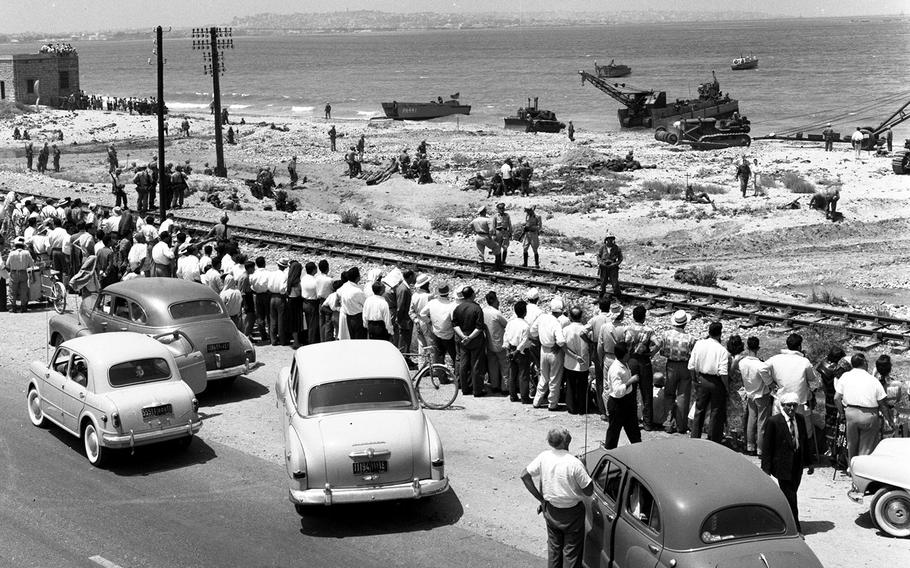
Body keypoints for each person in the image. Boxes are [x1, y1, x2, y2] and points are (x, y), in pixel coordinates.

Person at [520, 427, 593, 568]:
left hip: (551, 510)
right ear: (566, 441)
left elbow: (525, 475)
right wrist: (585, 467)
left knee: (554, 551)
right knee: (571, 554)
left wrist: (541, 499)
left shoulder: (544, 456)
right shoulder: (575, 463)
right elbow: (589, 491)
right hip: (572, 513)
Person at [761, 392, 815, 534]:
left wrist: (810, 462)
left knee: (791, 494)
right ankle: (795, 528)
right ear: (782, 406)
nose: (791, 408)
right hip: (782, 465)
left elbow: (804, 441)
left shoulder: (800, 419)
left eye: (794, 405)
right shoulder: (774, 421)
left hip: (797, 464)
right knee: (791, 495)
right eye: (788, 405)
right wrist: (766, 468)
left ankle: (781, 520)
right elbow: (767, 446)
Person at [835, 353, 892, 466]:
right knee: (866, 447)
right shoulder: (872, 380)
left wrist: (842, 413)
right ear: (865, 363)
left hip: (850, 413)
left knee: (852, 444)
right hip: (869, 415)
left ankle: (852, 468)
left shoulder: (845, 376)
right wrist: (889, 420)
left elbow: (836, 398)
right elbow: (883, 404)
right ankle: (861, 471)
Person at [766, 334, 817, 436]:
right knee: (797, 428)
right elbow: (812, 378)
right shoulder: (804, 362)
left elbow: (761, 368)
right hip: (798, 401)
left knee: (779, 428)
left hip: (780, 398)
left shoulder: (775, 358)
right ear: (799, 347)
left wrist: (770, 382)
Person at [688, 321, 729, 443]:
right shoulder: (722, 350)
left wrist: (694, 379)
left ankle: (695, 437)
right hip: (716, 382)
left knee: (699, 409)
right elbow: (723, 373)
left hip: (702, 379)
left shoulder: (699, 344)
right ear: (720, 334)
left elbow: (691, 366)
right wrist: (726, 387)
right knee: (716, 411)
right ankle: (713, 439)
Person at [660, 310, 696, 434]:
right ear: (685, 324)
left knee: (669, 394)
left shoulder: (666, 335)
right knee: (683, 395)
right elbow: (693, 355)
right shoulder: (691, 339)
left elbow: (662, 352)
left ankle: (668, 423)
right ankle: (681, 426)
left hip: (671, 365)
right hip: (685, 366)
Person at [624, 305, 659, 430]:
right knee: (646, 392)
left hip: (632, 360)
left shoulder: (629, 329)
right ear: (644, 317)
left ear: (633, 316)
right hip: (644, 361)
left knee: (630, 391)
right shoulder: (649, 330)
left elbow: (625, 342)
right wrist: (651, 354)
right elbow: (658, 343)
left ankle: (631, 420)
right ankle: (648, 423)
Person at [604, 341, 642, 449]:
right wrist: (631, 381)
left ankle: (639, 452)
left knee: (634, 431)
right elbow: (617, 391)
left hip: (628, 402)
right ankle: (609, 455)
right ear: (624, 355)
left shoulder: (624, 364)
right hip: (617, 404)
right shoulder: (615, 369)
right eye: (628, 353)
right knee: (613, 433)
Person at [532, 297, 567, 410]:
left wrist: (541, 339)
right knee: (554, 379)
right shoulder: (556, 322)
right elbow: (561, 341)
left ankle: (537, 401)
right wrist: (558, 345)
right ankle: (552, 404)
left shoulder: (542, 317)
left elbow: (532, 331)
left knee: (544, 377)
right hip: (554, 352)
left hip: (543, 350)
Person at [740, 336, 773, 456]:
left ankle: (750, 446)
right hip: (761, 394)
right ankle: (761, 449)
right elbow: (769, 382)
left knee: (751, 420)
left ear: (747, 347)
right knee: (762, 423)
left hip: (750, 394)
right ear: (758, 347)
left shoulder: (742, 362)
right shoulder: (760, 365)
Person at [452, 286, 487, 397]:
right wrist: (470, 337)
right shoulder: (477, 308)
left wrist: (463, 336)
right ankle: (477, 390)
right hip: (475, 339)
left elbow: (455, 325)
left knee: (463, 364)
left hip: (462, 340)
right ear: (472, 295)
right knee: (476, 364)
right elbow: (479, 327)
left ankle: (465, 389)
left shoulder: (458, 308)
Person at [816, 346, 850, 457]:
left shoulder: (823, 364)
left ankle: (829, 447)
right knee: (837, 423)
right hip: (836, 397)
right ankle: (835, 449)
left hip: (828, 395)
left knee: (829, 420)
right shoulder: (837, 370)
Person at [562, 307, 591, 415]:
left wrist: (574, 356)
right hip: (584, 362)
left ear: (570, 316)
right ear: (581, 316)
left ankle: (571, 407)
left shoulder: (566, 330)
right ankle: (582, 408)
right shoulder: (586, 330)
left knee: (570, 385)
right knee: (582, 387)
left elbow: (563, 346)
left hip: (570, 362)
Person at [420, 282, 456, 367]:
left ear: (438, 292)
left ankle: (442, 378)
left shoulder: (432, 303)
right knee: (454, 356)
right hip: (449, 334)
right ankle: (457, 377)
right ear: (448, 292)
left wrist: (429, 321)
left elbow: (422, 314)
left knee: (438, 357)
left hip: (436, 332)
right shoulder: (452, 305)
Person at [504, 300, 533, 403]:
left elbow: (506, 336)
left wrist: (508, 351)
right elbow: (524, 341)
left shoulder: (510, 323)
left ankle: (512, 396)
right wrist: (516, 351)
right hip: (521, 352)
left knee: (512, 374)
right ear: (525, 312)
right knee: (523, 375)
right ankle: (524, 398)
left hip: (511, 349)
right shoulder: (526, 325)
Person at [483, 291, 509, 394]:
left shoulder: (484, 311)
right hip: (499, 344)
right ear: (493, 300)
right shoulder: (497, 313)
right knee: (505, 366)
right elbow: (506, 324)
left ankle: (494, 386)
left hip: (488, 344)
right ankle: (505, 387)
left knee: (492, 366)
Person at [4, 237, 35, 312]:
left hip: (14, 273)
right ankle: (23, 307)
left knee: (12, 290)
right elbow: (31, 264)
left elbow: (7, 265)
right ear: (23, 246)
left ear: (15, 246)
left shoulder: (11, 253)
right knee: (23, 290)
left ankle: (13, 307)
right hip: (23, 272)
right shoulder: (27, 253)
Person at [338, 266, 367, 340]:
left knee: (352, 338)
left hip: (348, 317)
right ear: (357, 278)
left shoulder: (344, 287)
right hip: (358, 318)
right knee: (360, 340)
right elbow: (365, 304)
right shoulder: (357, 291)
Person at [268, 258, 290, 345]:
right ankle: (282, 340)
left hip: (272, 297)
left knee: (273, 319)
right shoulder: (284, 275)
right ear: (285, 267)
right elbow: (282, 289)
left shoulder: (272, 274)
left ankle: (273, 339)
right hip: (280, 298)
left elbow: (269, 285)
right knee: (281, 320)